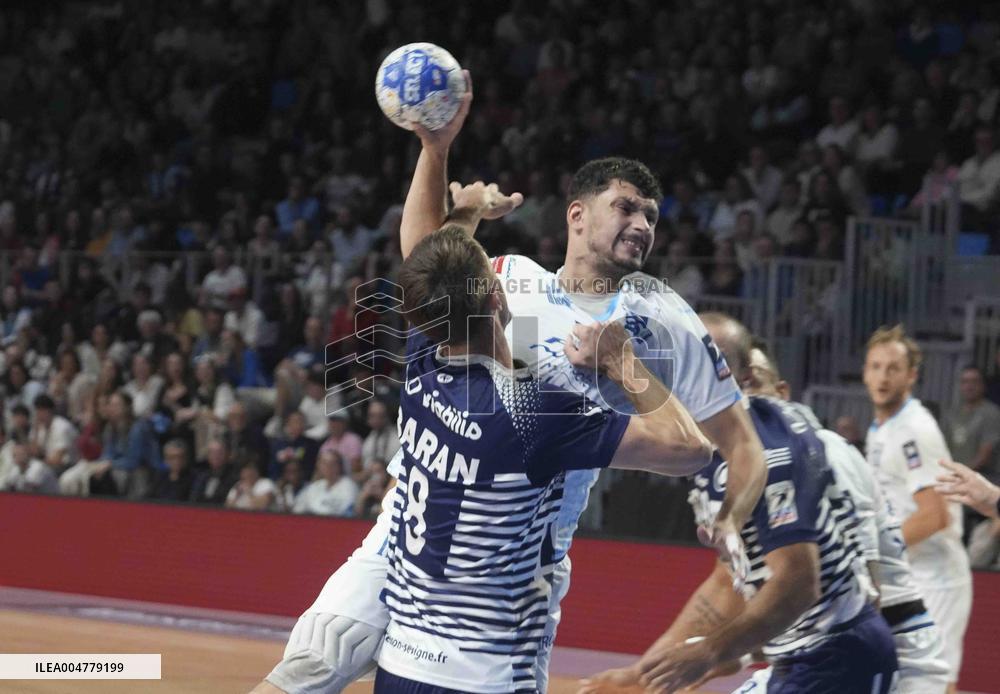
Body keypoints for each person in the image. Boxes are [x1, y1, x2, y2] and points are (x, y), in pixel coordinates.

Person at [254, 73, 767, 694]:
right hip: (403, 536)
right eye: (626, 207)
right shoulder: (512, 275)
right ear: (577, 215)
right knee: (306, 669)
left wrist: (734, 516)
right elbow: (424, 258)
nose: (642, 224)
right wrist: (435, 151)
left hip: (514, 557)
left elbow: (735, 442)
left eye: (651, 215)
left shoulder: (667, 320)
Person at [374, 222, 713, 693]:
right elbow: (689, 449)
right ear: (496, 296)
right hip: (485, 673)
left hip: (400, 664)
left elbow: (424, 266)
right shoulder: (532, 409)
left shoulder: (422, 354)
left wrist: (458, 196)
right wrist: (621, 360)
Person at [582, 315, 899, 693]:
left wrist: (711, 653)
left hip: (835, 658)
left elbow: (799, 582)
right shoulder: (724, 444)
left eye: (701, 360)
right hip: (809, 654)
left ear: (739, 377)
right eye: (677, 360)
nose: (683, 373)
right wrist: (647, 675)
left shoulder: (767, 451)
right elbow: (727, 582)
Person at [733, 341, 949, 692]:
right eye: (731, 385)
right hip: (822, 649)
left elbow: (865, 592)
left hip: (895, 646)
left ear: (782, 393)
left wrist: (722, 651)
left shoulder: (822, 452)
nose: (742, 399)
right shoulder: (745, 473)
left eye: (752, 382)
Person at [863, 325, 971, 693]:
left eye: (893, 368)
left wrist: (872, 555)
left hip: (937, 580)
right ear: (864, 372)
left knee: (933, 686)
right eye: (875, 366)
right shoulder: (881, 429)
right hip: (906, 577)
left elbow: (933, 515)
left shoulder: (914, 430)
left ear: (911, 376)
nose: (882, 376)